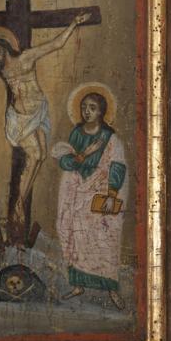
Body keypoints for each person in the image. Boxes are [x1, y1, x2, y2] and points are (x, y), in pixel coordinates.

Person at [0, 12, 91, 230]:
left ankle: (21, 201)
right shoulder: (1, 67)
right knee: (35, 155)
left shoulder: (26, 58)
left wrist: (74, 23)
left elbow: (56, 45)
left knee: (40, 156)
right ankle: (19, 205)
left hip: (38, 111)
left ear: (5, 48)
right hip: (19, 119)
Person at [53, 86, 127, 309]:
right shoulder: (76, 133)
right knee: (74, 235)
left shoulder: (109, 138)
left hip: (100, 191)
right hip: (76, 192)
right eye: (84, 107)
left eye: (92, 108)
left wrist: (111, 193)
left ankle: (111, 288)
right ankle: (78, 285)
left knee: (103, 240)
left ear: (101, 111)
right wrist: (83, 155)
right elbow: (66, 161)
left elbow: (117, 165)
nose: (87, 111)